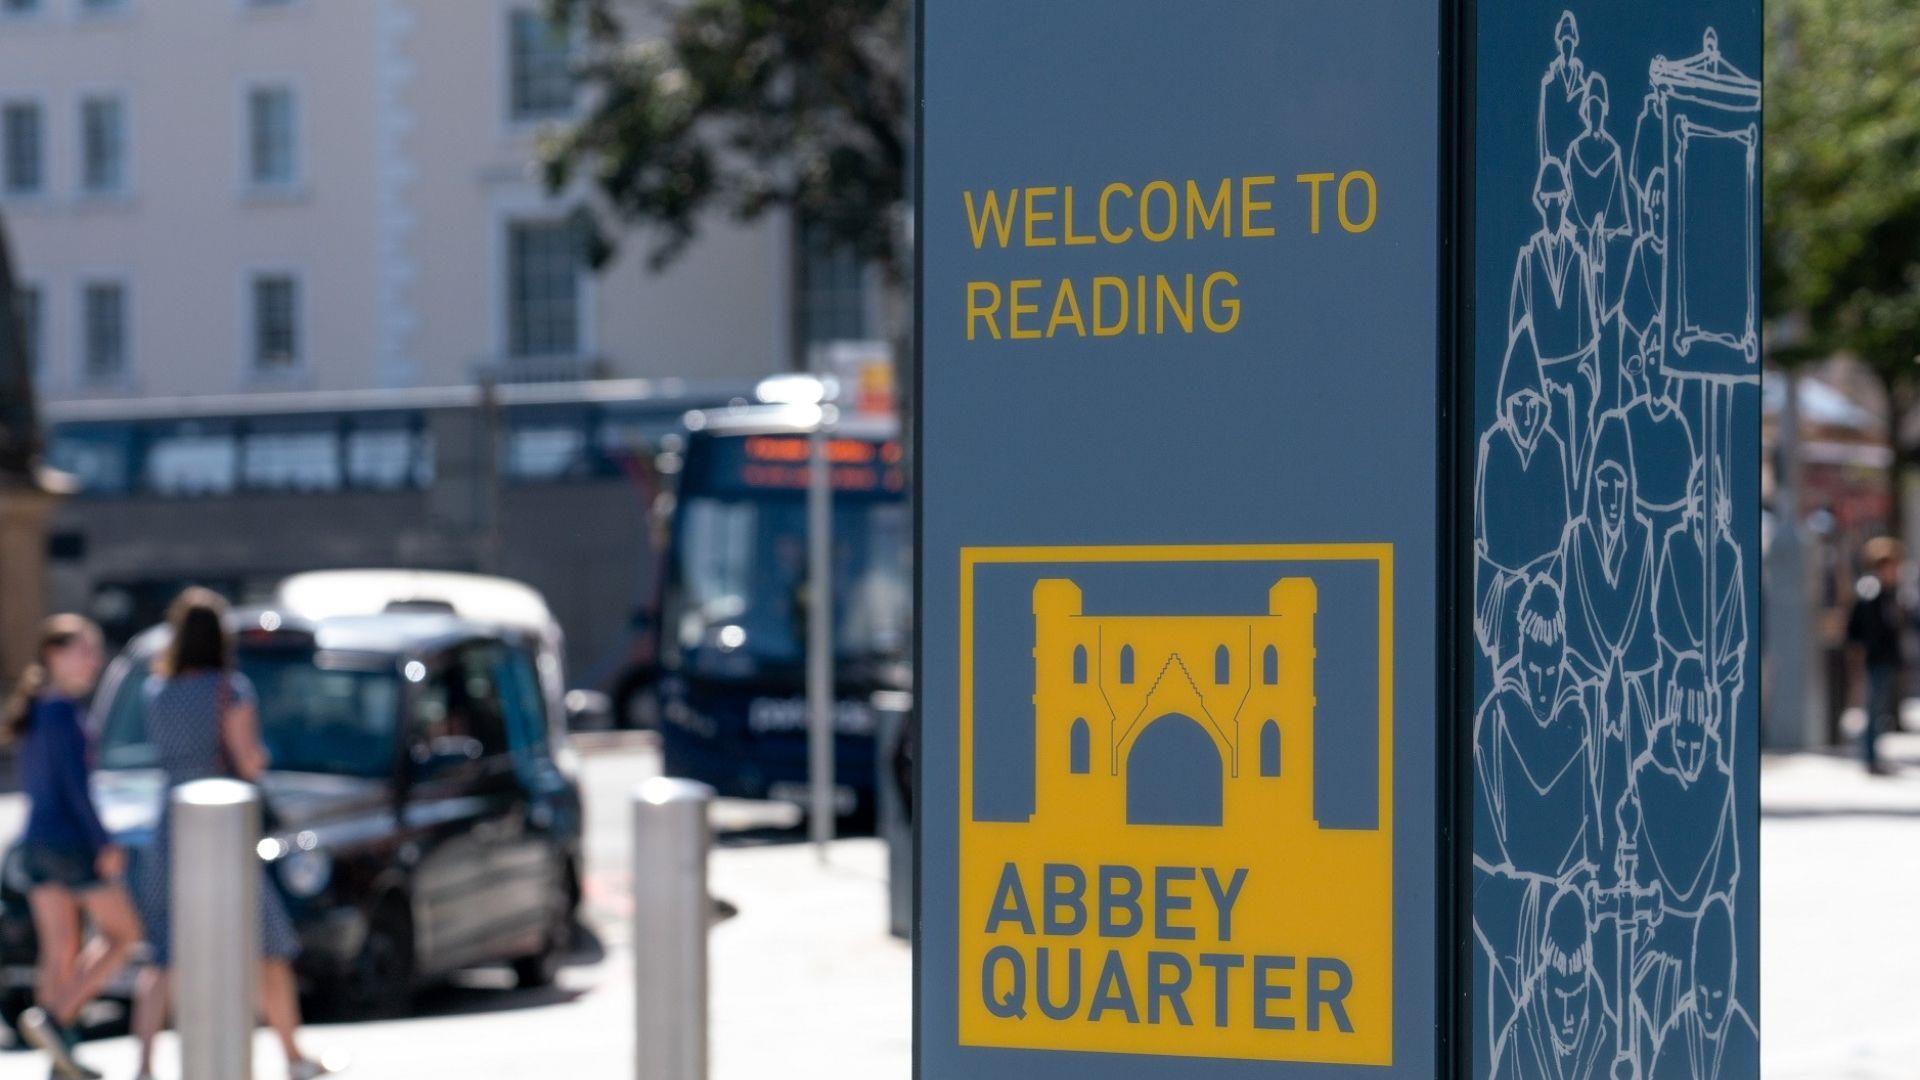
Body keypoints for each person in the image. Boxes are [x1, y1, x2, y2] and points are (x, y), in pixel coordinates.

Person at [128, 588, 334, 1080]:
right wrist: (261, 758)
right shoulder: (232, 688)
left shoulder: (156, 690)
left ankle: (144, 1066)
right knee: (268, 945)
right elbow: (247, 761)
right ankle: (292, 1055)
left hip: (170, 824)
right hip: (222, 827)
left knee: (163, 953)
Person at [4, 615, 141, 1080]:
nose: (92, 662)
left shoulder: (38, 709)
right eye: (83, 651)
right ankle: (56, 1020)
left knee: (60, 950)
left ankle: (59, 1059)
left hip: (36, 843)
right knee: (124, 934)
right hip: (68, 842)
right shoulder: (63, 713)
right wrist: (103, 842)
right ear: (53, 655)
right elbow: (76, 789)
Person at [1845, 536, 1907, 775]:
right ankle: (1868, 757)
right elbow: (1864, 632)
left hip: (1885, 661)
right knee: (1873, 710)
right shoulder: (1872, 592)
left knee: (1880, 711)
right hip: (1875, 661)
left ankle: (1872, 755)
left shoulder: (1888, 593)